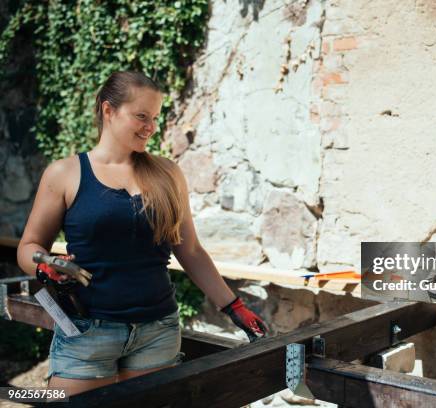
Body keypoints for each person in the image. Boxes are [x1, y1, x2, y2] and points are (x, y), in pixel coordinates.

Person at [16, 71, 268, 396]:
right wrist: (44, 266)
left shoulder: (167, 174)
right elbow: (29, 246)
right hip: (88, 332)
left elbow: (189, 250)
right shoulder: (64, 174)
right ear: (109, 111)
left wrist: (234, 307)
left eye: (154, 118)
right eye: (141, 116)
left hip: (157, 331)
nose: (150, 126)